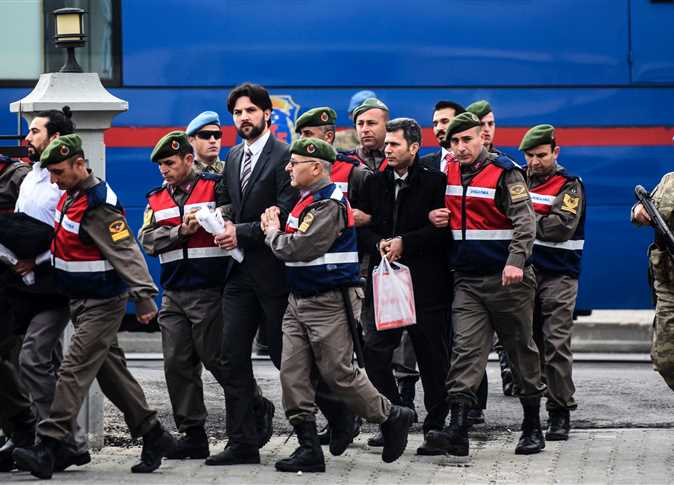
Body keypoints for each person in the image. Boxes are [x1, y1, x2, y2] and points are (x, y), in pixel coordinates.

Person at [12, 135, 175, 478]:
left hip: (103, 303)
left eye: (58, 172)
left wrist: (144, 296)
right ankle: (154, 434)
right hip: (80, 300)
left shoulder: (98, 205)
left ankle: (50, 445)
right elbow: (62, 246)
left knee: (72, 370)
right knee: (111, 374)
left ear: (80, 164)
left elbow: (126, 252)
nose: (53, 179)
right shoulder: (71, 195)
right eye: (50, 173)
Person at [260, 137, 414, 472]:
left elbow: (298, 248)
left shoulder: (329, 205)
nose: (288, 168)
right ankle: (308, 448)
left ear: (316, 168)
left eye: (294, 163)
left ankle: (391, 416)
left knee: (339, 374)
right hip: (299, 299)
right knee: (292, 374)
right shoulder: (306, 200)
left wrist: (271, 232)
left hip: (329, 301)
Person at [425, 112, 546, 457]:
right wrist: (432, 216)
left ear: (483, 138)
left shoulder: (506, 172)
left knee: (520, 350)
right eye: (454, 141)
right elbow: (439, 211)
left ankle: (532, 426)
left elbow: (525, 222)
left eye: (467, 139)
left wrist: (516, 261)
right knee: (465, 351)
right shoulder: (447, 171)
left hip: (508, 280)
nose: (460, 147)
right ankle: (458, 430)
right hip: (467, 279)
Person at [210, 83, 297, 465]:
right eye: (237, 113)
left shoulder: (284, 156)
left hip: (273, 271)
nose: (243, 118)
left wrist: (239, 232)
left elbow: (286, 212)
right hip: (239, 273)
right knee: (231, 356)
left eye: (250, 111)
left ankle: (339, 412)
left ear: (267, 114)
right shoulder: (232, 156)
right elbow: (228, 198)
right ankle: (243, 443)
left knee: (284, 356)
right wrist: (219, 216)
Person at [357, 118, 451, 455]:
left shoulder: (435, 182)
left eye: (395, 144)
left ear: (414, 148)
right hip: (386, 286)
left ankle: (435, 427)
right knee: (375, 354)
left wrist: (405, 243)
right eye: (387, 144)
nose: (388, 149)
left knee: (433, 360)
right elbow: (362, 227)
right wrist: (379, 243)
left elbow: (443, 232)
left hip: (426, 287)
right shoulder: (375, 182)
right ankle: (394, 414)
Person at [6, 108, 92, 471]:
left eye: (35, 132)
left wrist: (37, 259)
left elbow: (69, 233)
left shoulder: (66, 182)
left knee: (34, 359)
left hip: (54, 285)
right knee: (41, 363)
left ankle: (56, 442)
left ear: (55, 138)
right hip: (25, 287)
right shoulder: (31, 177)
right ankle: (54, 440)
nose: (28, 138)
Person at [138, 131, 230, 460]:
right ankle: (193, 435)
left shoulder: (215, 186)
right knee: (177, 364)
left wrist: (212, 220)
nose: (164, 170)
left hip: (209, 290)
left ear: (189, 160)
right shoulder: (156, 198)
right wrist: (181, 231)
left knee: (217, 359)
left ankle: (255, 408)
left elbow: (233, 214)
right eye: (160, 165)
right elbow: (147, 240)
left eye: (169, 163)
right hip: (174, 292)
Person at [520, 124, 585, 441]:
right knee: (529, 346)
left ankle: (560, 411)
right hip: (526, 273)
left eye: (541, 155)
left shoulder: (570, 186)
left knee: (555, 344)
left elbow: (560, 227)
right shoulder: (517, 179)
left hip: (559, 276)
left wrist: (521, 216)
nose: (535, 162)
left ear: (555, 152)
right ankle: (532, 414)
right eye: (530, 156)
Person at [467, 99, 517, 399]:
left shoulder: (506, 166)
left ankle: (511, 372)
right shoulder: (458, 165)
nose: (487, 130)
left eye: (491, 124)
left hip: (503, 260)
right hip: (473, 264)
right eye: (481, 124)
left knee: (510, 328)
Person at [632, 170, 674, 392]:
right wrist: (638, 211)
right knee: (665, 358)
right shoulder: (670, 181)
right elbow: (647, 206)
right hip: (669, 284)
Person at [420, 101, 465, 173]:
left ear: (461, 124)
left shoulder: (476, 161)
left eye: (445, 121)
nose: (438, 128)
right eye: (435, 124)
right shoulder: (422, 164)